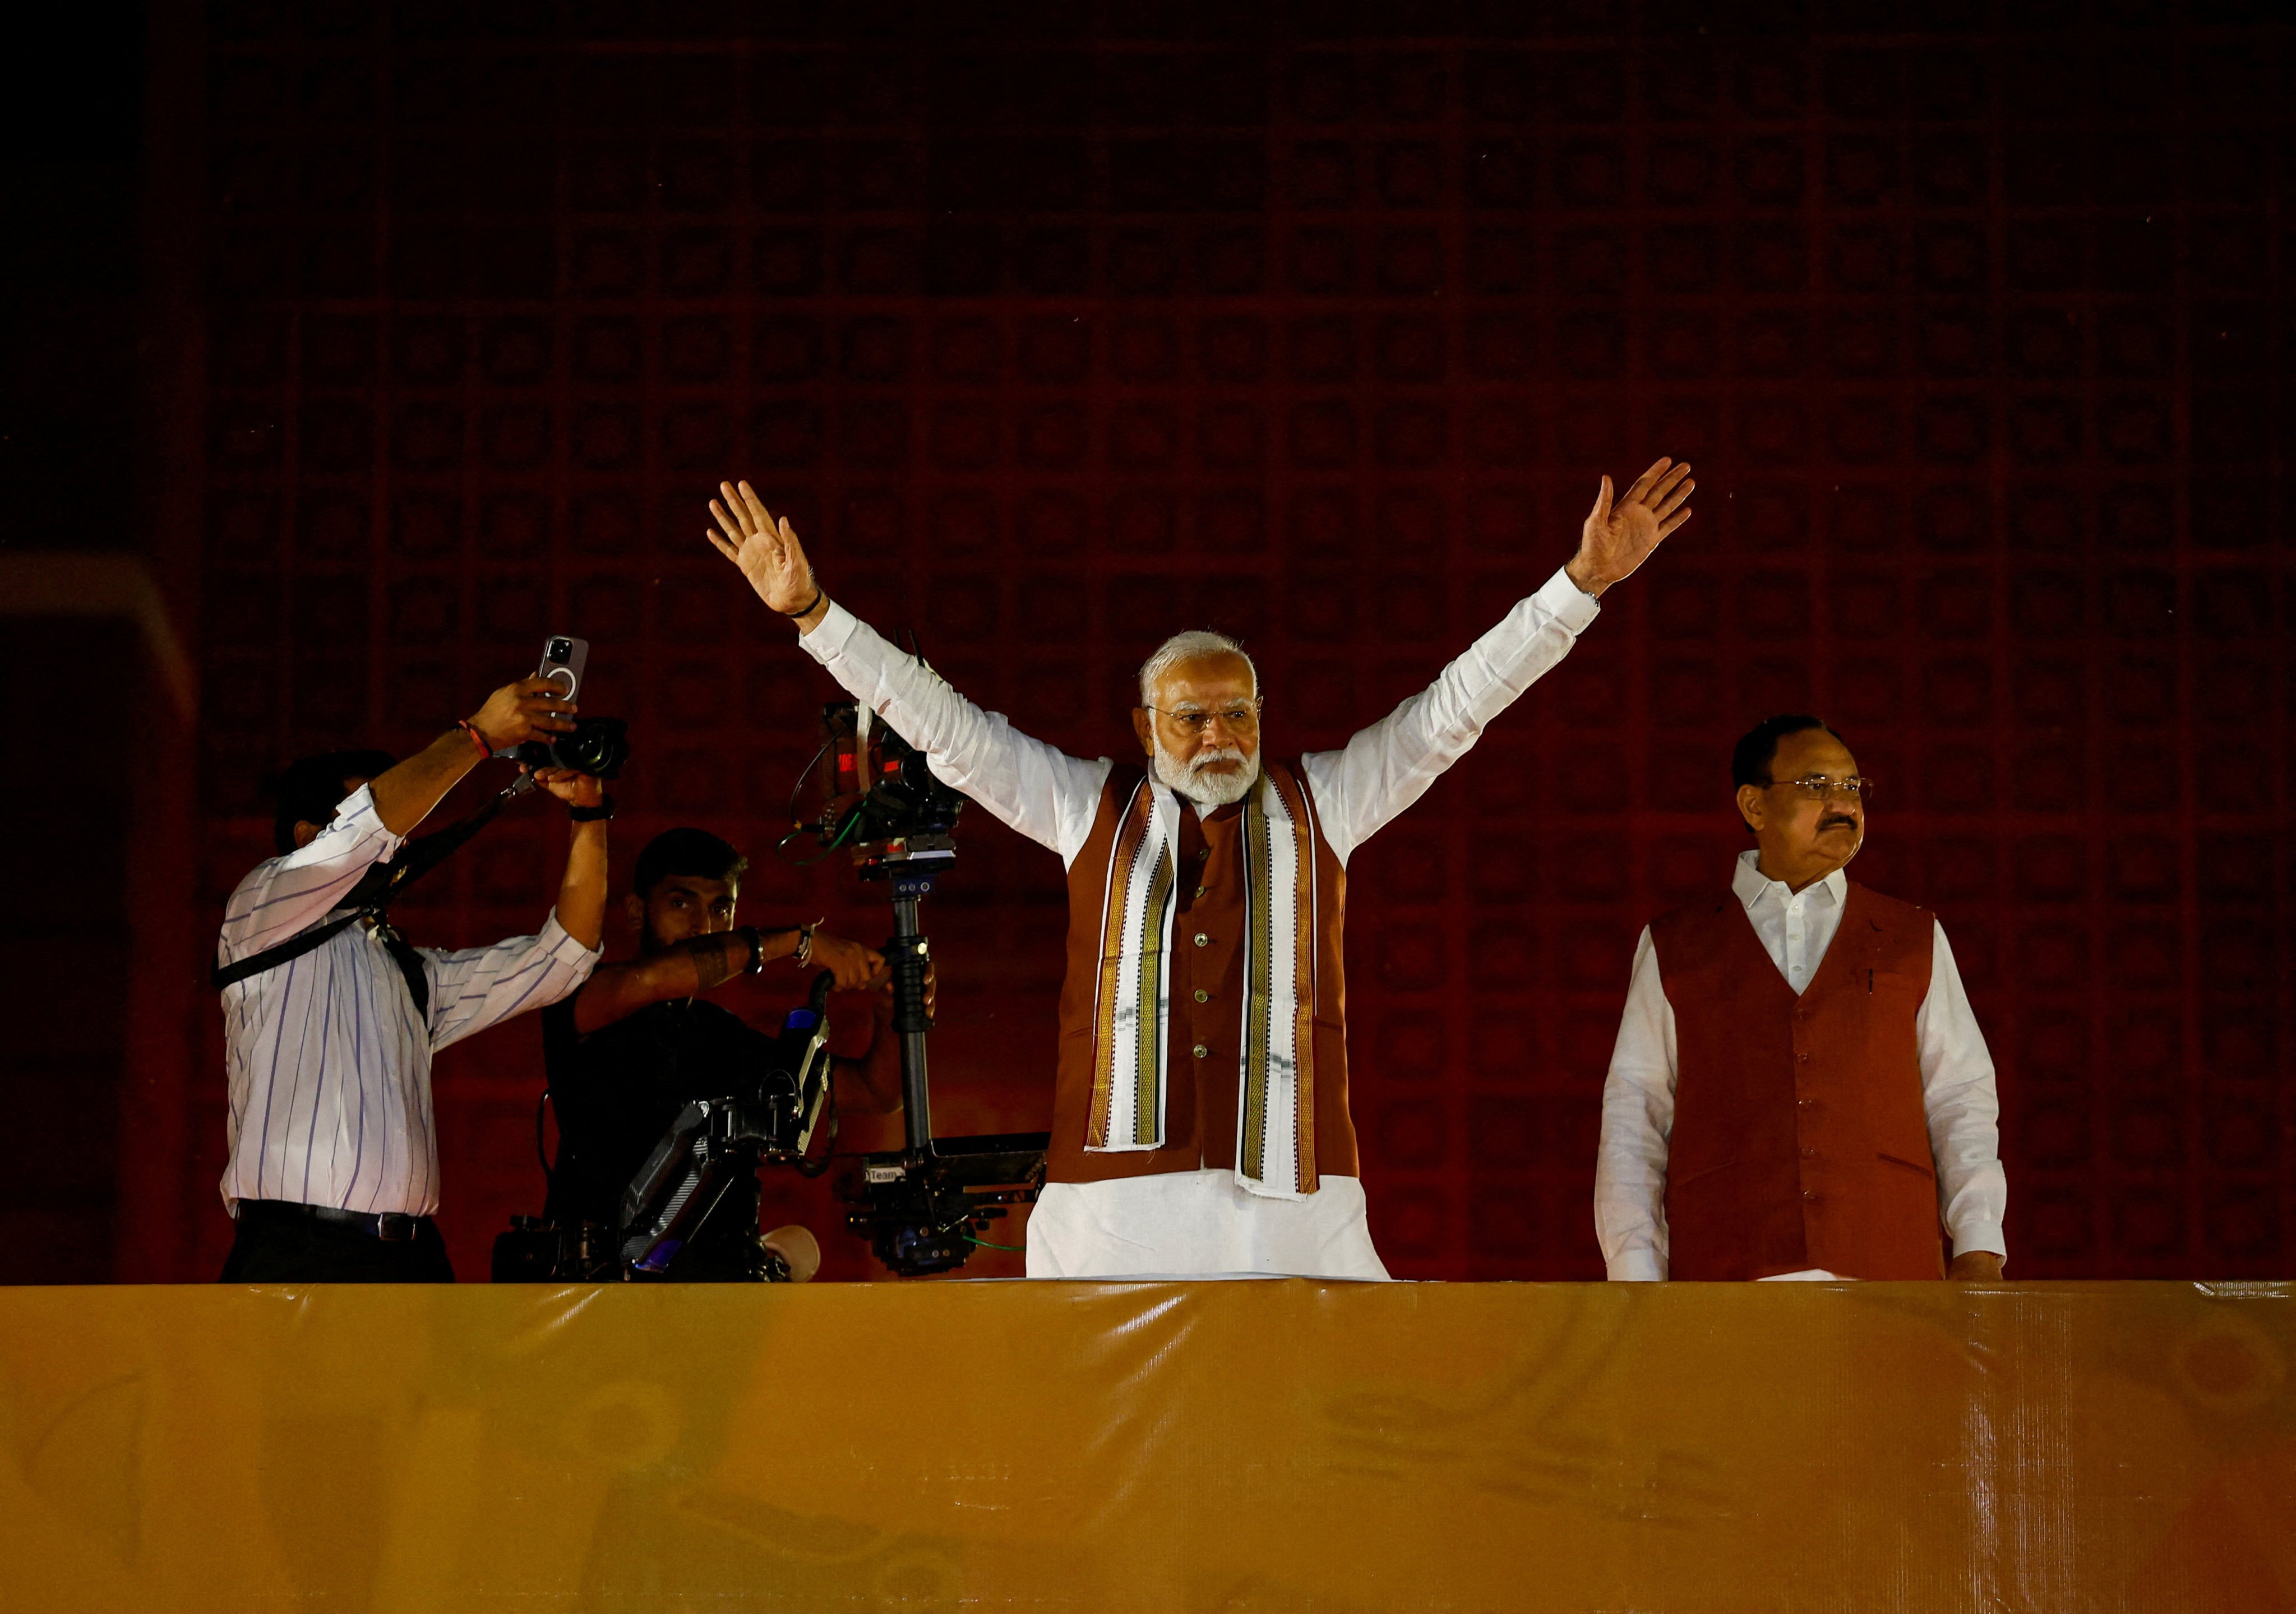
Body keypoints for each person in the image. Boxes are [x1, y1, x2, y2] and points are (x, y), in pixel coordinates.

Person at [705, 462, 1694, 1279]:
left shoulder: (1328, 801)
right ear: (1145, 726)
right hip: (1114, 1203)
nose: (1220, 732)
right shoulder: (1080, 802)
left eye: (1240, 711)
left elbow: (1454, 709)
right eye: (1193, 715)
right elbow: (947, 728)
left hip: (1298, 1197)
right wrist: (812, 612)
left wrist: (1582, 584)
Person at [216, 677, 609, 1282]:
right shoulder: (262, 904)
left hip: (414, 1259)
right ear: (304, 836)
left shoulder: (404, 968)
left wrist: (589, 814)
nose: (397, 844)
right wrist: (476, 738)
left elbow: (560, 961)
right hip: (296, 1254)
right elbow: (365, 831)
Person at [1594, 714, 2007, 1282]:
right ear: (1754, 806)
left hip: (1889, 1264)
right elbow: (1635, 1112)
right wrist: (1635, 1269)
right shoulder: (1676, 942)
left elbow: (1960, 1096)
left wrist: (1979, 1245)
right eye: (1817, 785)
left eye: (1853, 787)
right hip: (1728, 1270)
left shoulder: (1912, 935)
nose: (1844, 803)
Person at [537, 827, 906, 1281]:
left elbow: (875, 1092)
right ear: (636, 912)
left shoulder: (720, 1034)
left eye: (720, 908)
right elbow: (654, 980)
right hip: (597, 1286)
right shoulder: (586, 996)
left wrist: (895, 1009)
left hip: (715, 1298)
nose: (702, 925)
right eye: (680, 903)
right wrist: (799, 942)